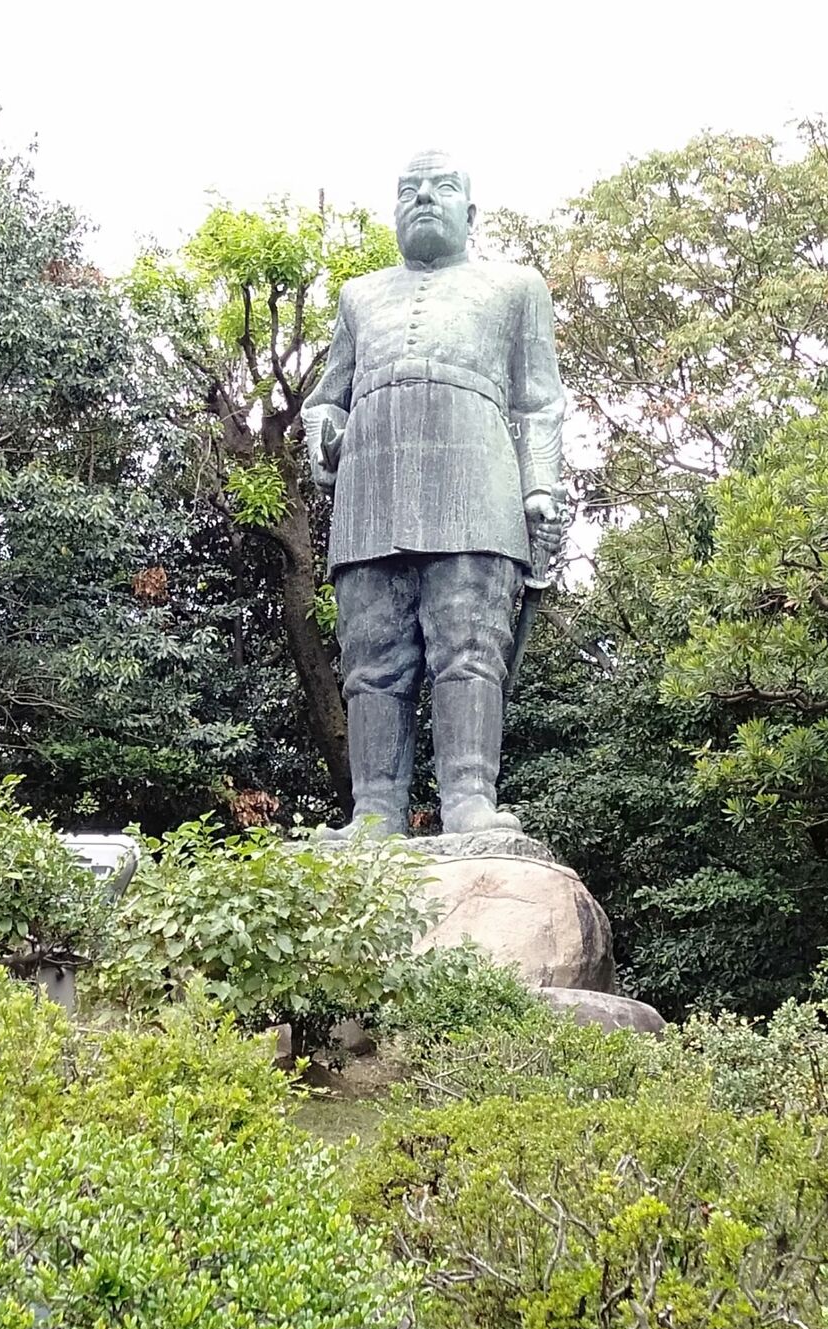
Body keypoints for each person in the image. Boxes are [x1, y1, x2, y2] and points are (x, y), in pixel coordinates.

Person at [302, 149, 566, 837]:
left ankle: (469, 799)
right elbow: (328, 398)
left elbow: (540, 402)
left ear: (470, 212)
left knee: (470, 642)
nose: (422, 198)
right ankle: (375, 811)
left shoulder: (515, 288)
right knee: (371, 653)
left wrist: (540, 486)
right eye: (408, 190)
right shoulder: (359, 296)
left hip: (476, 480)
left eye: (441, 188)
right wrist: (321, 427)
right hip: (371, 485)